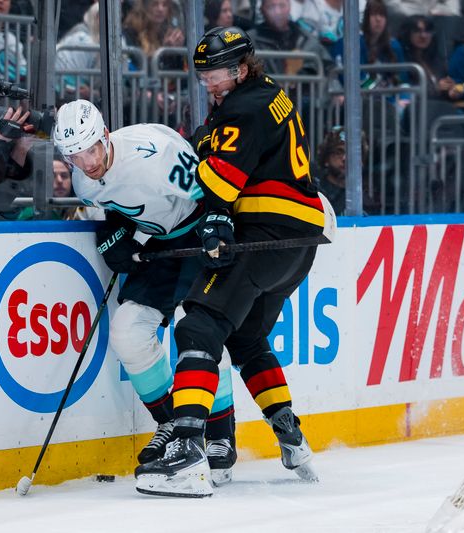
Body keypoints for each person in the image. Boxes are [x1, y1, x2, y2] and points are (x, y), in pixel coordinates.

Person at [135, 26, 324, 498]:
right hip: (298, 243)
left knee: (199, 327)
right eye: (203, 76)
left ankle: (187, 450)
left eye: (216, 74)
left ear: (241, 68)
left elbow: (220, 183)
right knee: (246, 336)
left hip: (263, 235)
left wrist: (210, 205)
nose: (209, 83)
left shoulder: (242, 108)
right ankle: (290, 435)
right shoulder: (269, 97)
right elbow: (221, 147)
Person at [52, 99, 238, 486]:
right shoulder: (83, 178)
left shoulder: (154, 156)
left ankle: (221, 435)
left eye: (90, 150)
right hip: (158, 246)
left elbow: (212, 188)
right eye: (74, 156)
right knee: (128, 331)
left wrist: (219, 225)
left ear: (105, 136)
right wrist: (113, 235)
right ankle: (171, 425)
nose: (85, 163)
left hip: (196, 233)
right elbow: (108, 209)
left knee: (198, 328)